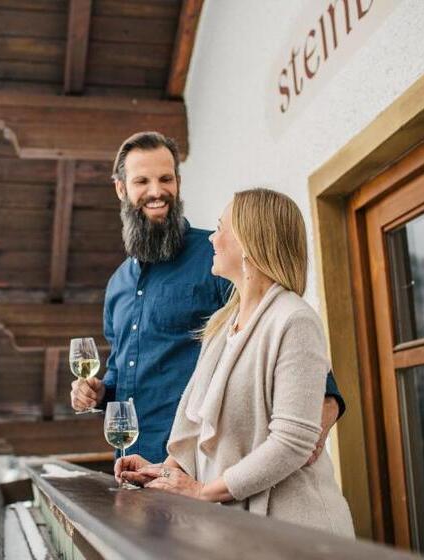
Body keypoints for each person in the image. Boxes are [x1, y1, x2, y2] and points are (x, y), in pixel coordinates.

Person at [70, 131, 344, 465]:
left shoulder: (217, 256)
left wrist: (326, 401)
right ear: (121, 188)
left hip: (200, 464)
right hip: (133, 461)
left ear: (178, 183)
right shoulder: (117, 285)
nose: (156, 191)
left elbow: (277, 322)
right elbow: (119, 370)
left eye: (166, 179)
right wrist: (99, 393)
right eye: (142, 180)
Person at [116, 188, 355, 537]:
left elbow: (292, 443)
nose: (212, 238)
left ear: (249, 240)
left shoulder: (294, 320)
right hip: (236, 532)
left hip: (297, 535)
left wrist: (201, 493)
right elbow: (196, 431)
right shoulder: (220, 327)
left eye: (220, 227)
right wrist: (162, 473)